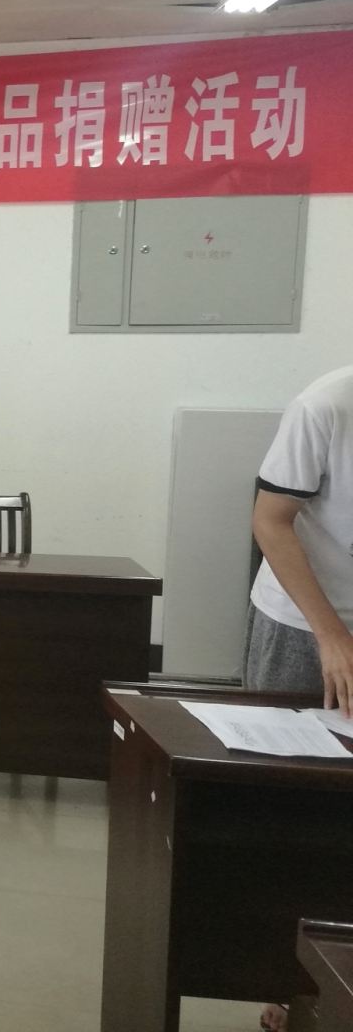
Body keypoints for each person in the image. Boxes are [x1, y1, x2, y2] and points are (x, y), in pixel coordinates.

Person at [245, 366, 353, 1032]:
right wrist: (332, 636)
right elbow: (271, 520)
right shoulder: (326, 406)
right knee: (290, 806)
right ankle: (281, 980)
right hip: (302, 622)